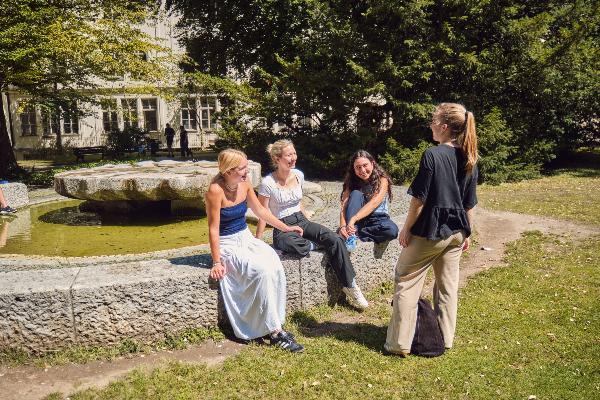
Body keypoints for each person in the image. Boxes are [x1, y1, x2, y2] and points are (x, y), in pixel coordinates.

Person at [385, 103, 479, 356]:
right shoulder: (470, 156)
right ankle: (445, 339)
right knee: (448, 287)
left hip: (431, 231)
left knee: (405, 279)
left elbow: (419, 199)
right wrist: (468, 232)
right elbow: (469, 202)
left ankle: (398, 344)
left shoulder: (433, 154)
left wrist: (406, 229)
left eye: (433, 121)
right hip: (458, 232)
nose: (431, 126)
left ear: (444, 127)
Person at [206, 148, 305, 352]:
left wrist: (285, 227)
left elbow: (261, 210)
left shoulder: (245, 184)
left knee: (274, 265)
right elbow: (213, 229)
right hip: (227, 244)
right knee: (261, 271)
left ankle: (274, 323)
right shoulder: (215, 190)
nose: (247, 171)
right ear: (229, 170)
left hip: (246, 237)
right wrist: (216, 261)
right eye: (242, 168)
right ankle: (275, 333)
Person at [256, 140, 369, 309]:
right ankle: (316, 245)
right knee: (296, 245)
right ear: (277, 158)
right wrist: (258, 241)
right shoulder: (268, 183)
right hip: (282, 227)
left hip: (301, 220)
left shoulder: (298, 175)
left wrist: (305, 215)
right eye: (289, 155)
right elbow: (262, 213)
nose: (294, 157)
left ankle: (351, 286)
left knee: (335, 239)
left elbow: (298, 200)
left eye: (294, 153)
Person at [339, 150, 399, 258]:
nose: (362, 170)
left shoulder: (382, 180)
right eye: (358, 167)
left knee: (392, 231)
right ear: (354, 169)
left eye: (365, 165)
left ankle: (356, 232)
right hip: (359, 221)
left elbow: (374, 203)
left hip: (378, 219)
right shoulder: (351, 183)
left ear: (372, 163)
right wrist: (343, 225)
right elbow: (344, 206)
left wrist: (353, 219)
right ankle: (351, 233)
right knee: (356, 193)